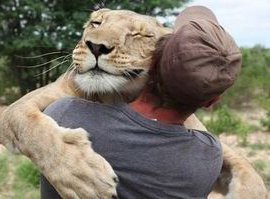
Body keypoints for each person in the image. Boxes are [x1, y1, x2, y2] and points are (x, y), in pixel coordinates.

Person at [41, 6, 242, 199]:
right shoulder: (209, 154)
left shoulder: (65, 114)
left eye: (142, 37)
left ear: (153, 62)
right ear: (212, 101)